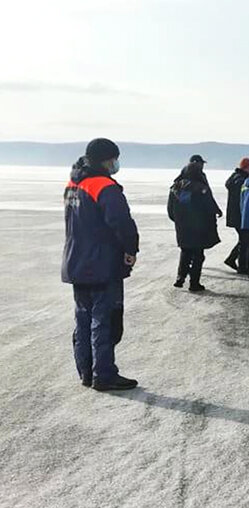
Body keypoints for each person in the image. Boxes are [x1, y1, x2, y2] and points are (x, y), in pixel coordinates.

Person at [62, 138, 140, 391]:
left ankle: (87, 372)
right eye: (115, 159)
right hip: (102, 263)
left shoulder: (74, 183)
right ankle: (104, 374)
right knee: (104, 321)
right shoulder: (104, 186)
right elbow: (121, 222)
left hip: (77, 261)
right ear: (108, 159)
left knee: (83, 320)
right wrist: (131, 249)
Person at [167, 155, 222, 291]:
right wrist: (216, 212)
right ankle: (194, 283)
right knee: (198, 254)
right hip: (198, 227)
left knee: (185, 251)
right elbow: (208, 206)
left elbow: (170, 209)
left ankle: (180, 278)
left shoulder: (175, 188)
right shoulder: (201, 188)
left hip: (182, 227)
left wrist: (179, 220)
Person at [224, 157, 249, 273]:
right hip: (239, 215)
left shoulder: (234, 178)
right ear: (246, 167)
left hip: (234, 214)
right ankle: (240, 265)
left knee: (244, 239)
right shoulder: (241, 180)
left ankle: (234, 261)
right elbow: (241, 200)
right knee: (245, 240)